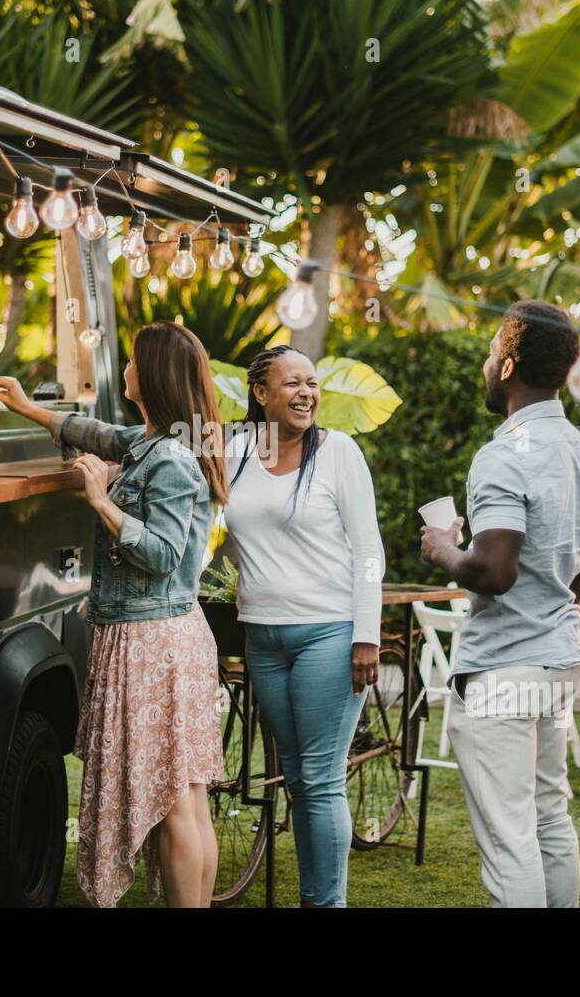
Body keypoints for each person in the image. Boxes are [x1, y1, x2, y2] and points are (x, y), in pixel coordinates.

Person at [0, 322, 226, 908]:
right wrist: (25, 407)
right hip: (161, 635)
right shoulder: (151, 441)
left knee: (176, 803)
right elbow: (93, 432)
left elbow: (164, 555)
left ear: (154, 376)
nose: (125, 369)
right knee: (186, 796)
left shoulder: (170, 457)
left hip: (154, 639)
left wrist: (100, 501)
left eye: (133, 362)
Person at [420, 300, 580, 908]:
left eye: (492, 349)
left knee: (509, 839)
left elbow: (495, 571)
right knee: (550, 815)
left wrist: (443, 549)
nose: (485, 361)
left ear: (507, 366)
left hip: (503, 667)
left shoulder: (503, 454)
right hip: (559, 658)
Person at [222, 344, 385, 908]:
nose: (306, 393)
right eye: (291, 384)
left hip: (329, 634)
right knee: (295, 780)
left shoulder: (340, 453)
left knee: (318, 781)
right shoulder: (235, 452)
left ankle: (324, 903)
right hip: (262, 637)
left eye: (311, 383)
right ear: (261, 394)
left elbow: (368, 550)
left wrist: (367, 635)